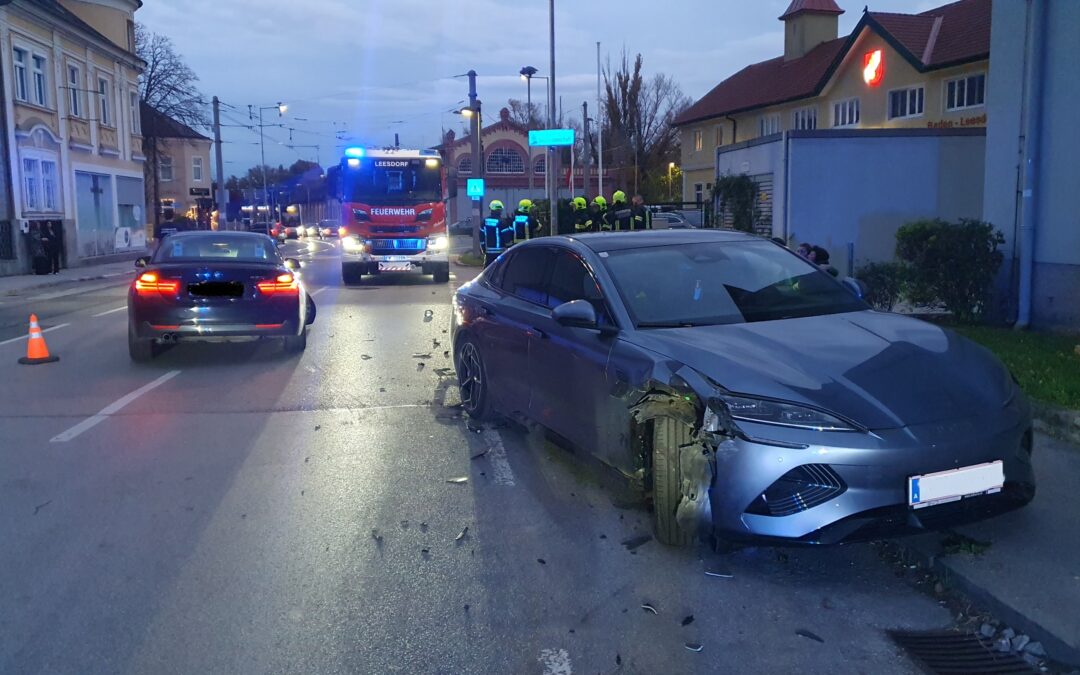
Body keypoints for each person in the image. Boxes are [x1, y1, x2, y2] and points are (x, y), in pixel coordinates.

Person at [481, 200, 514, 267]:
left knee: (488, 271)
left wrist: (483, 248)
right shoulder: (502, 222)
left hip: (488, 252)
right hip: (500, 252)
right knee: (500, 271)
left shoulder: (484, 221)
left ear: (490, 209)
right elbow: (507, 238)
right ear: (500, 210)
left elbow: (481, 236)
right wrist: (510, 248)